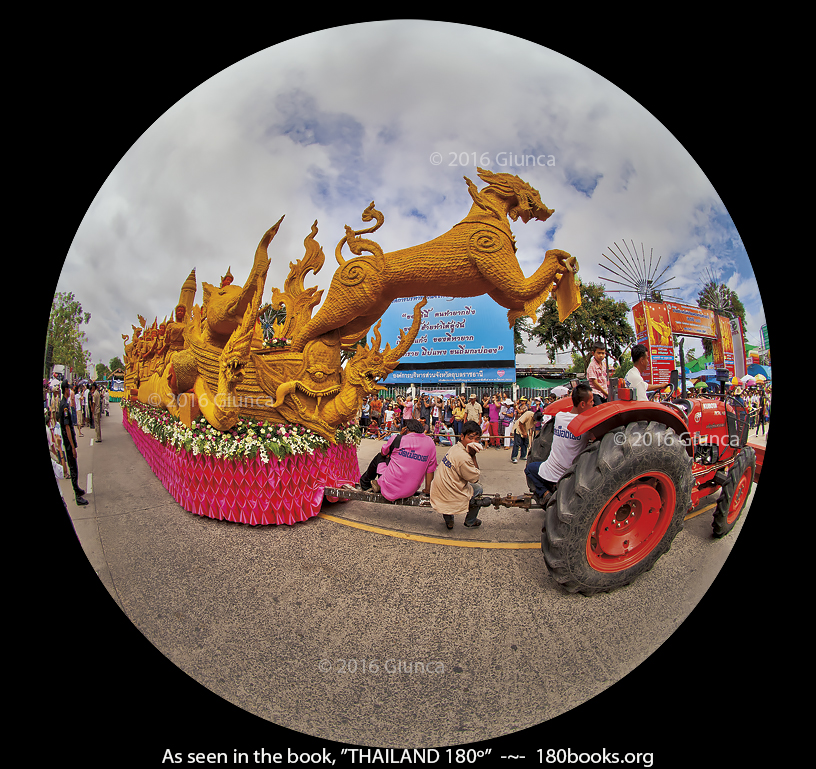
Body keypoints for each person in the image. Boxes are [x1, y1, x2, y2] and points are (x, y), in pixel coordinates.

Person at [525, 383, 594, 502]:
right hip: (570, 475)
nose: (593, 404)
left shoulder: (559, 417)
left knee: (529, 468)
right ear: (583, 404)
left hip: (549, 471)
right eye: (592, 401)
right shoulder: (586, 426)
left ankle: (545, 492)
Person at [360, 419, 437, 500]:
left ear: (406, 429)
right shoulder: (430, 442)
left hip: (389, 487)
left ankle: (365, 483)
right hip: (410, 490)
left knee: (380, 456)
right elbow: (430, 469)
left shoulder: (398, 439)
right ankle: (378, 483)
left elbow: (383, 452)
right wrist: (427, 489)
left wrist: (400, 435)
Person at [430, 420, 484, 529]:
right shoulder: (464, 456)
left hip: (438, 488)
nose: (474, 442)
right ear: (462, 437)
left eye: (477, 439)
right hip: (449, 493)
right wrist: (473, 456)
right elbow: (475, 478)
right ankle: (470, 520)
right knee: (478, 489)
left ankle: (449, 519)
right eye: (471, 438)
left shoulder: (455, 447)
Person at [59, 380, 89, 505]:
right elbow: (67, 427)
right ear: (65, 389)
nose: (70, 391)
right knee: (73, 469)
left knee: (74, 467)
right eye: (69, 389)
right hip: (68, 442)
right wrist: (72, 447)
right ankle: (77, 495)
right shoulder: (64, 406)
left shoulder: (64, 403)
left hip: (69, 441)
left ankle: (77, 489)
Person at [587, 341, 609, 406]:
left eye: (603, 353)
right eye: (599, 353)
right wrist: (606, 393)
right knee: (599, 410)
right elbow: (595, 383)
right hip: (595, 393)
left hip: (603, 393)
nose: (601, 355)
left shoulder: (603, 365)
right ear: (593, 353)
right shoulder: (592, 366)